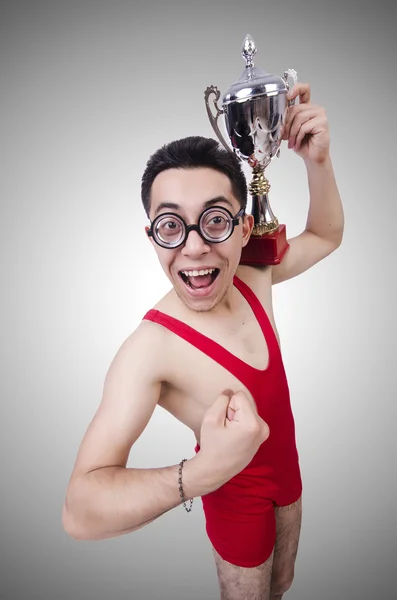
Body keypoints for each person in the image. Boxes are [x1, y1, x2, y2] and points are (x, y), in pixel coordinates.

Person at [62, 82, 344, 600]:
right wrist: (198, 473)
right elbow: (79, 510)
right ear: (152, 236)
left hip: (292, 483)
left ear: (242, 227)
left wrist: (317, 162)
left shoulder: (254, 271)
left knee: (283, 584)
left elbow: (325, 235)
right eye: (171, 226)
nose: (194, 248)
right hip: (235, 508)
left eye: (214, 220)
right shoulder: (150, 348)